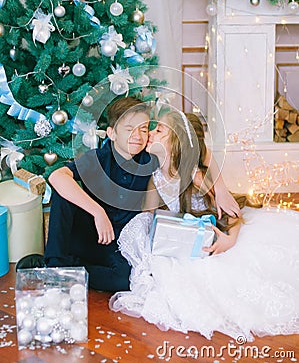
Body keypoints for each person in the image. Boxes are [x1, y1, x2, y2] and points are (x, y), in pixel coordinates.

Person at [110, 109, 299, 341]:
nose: (150, 133)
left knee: (219, 277)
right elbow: (148, 216)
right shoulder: (156, 175)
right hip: (187, 234)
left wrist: (229, 240)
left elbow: (232, 215)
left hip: (218, 232)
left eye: (158, 130)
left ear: (176, 141)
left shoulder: (194, 176)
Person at [17, 97, 159, 291]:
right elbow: (57, 177)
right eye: (129, 129)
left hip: (117, 244)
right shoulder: (98, 158)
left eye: (143, 129)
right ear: (112, 133)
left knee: (126, 281)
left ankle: (65, 271)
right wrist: (98, 212)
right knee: (63, 191)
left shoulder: (149, 161)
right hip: (88, 234)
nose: (137, 135)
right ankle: (54, 264)